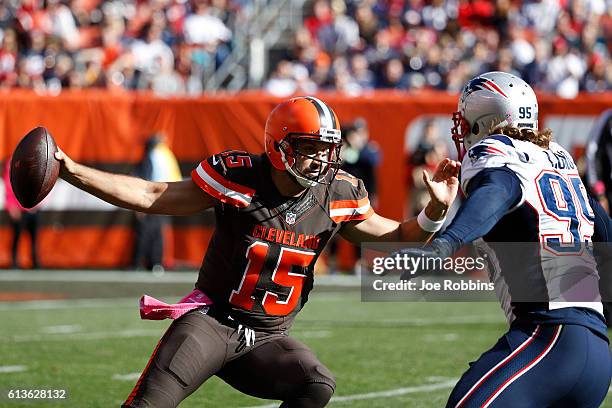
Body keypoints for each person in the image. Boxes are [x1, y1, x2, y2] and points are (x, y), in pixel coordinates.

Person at [53, 96, 460, 408]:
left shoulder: (338, 193)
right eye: (310, 146)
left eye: (327, 148)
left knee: (317, 383)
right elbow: (150, 194)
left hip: (268, 339)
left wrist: (435, 209)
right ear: (280, 147)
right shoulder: (240, 176)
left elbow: (396, 236)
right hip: (211, 324)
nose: (321, 157)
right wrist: (72, 170)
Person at [399, 72, 612, 407]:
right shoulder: (558, 159)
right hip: (596, 349)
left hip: (548, 337)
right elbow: (604, 232)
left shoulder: (495, 152)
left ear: (485, 122)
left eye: (467, 122)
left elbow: (499, 190)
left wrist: (445, 243)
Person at [3, 157, 40, 269]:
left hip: (32, 208)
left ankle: (35, 263)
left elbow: (38, 184)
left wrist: (36, 204)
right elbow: (8, 186)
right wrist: (12, 206)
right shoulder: (13, 163)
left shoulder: (35, 162)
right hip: (18, 209)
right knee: (17, 236)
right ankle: (14, 262)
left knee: (34, 237)